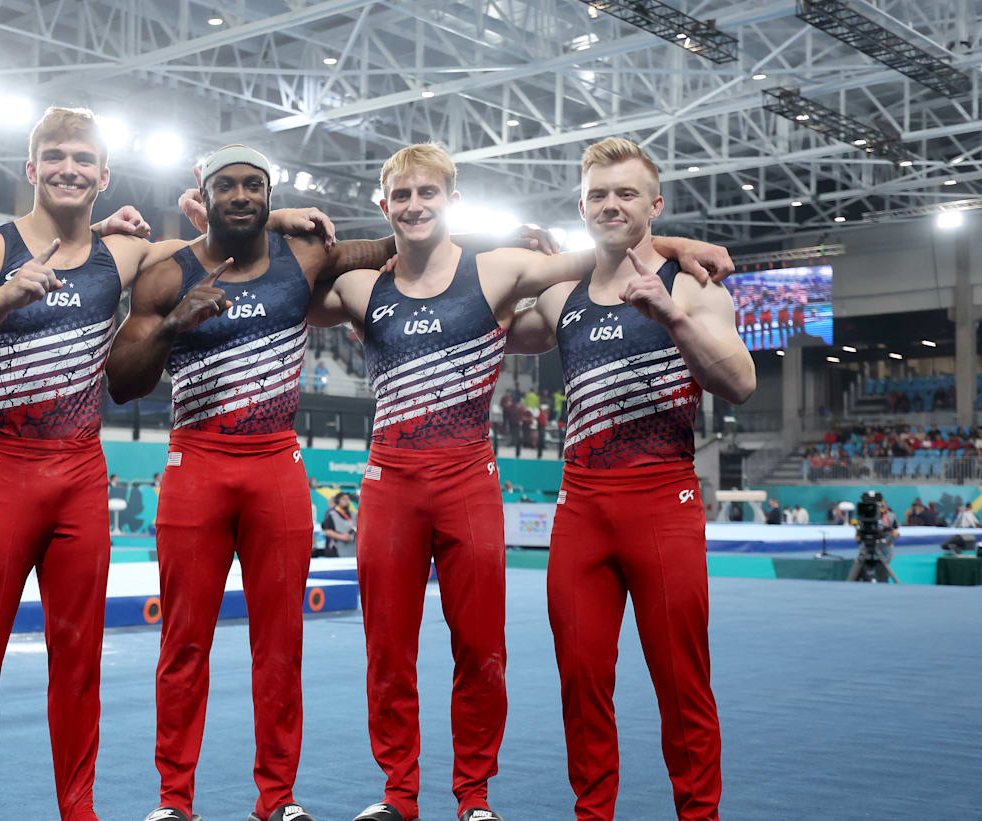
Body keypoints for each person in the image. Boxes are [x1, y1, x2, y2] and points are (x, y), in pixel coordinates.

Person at [0, 110, 331, 821]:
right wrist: (4, 294)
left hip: (81, 471)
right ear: (31, 168)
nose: (69, 169)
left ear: (104, 175)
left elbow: (223, 242)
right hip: (3, 468)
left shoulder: (127, 256)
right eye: (55, 157)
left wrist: (276, 211)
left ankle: (77, 809)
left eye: (83, 159)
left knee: (78, 661)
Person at [308, 142, 730, 821]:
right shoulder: (362, 285)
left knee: (482, 652)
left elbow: (611, 246)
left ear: (452, 199)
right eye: (403, 196)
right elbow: (282, 276)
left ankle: (472, 796)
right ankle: (399, 794)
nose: (416, 205)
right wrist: (294, 229)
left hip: (471, 481)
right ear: (384, 205)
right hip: (391, 484)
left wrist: (674, 240)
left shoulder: (498, 269)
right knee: (389, 651)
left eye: (429, 193)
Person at [108, 144, 440, 821]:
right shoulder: (166, 273)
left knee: (280, 644)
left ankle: (277, 799)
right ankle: (174, 800)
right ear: (203, 194)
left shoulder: (304, 260)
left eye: (252, 186)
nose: (240, 196)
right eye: (225, 185)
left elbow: (394, 248)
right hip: (195, 464)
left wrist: (447, 226)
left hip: (276, 469)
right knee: (184, 643)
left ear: (268, 195)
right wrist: (173, 326)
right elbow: (121, 381)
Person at [504, 137, 752, 821]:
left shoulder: (694, 287)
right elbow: (491, 321)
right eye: (598, 195)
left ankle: (698, 814)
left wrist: (672, 317)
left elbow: (739, 382)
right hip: (580, 510)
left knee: (682, 686)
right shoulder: (562, 294)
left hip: (662, 506)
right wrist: (531, 266)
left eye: (626, 194)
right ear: (581, 205)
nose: (611, 204)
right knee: (581, 683)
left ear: (655, 204)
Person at [319, 492, 356, 557]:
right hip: (338, 548)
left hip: (353, 549)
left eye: (347, 499)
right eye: (343, 499)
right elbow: (327, 530)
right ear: (338, 501)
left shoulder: (353, 514)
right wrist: (342, 537)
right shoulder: (331, 514)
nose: (346, 501)